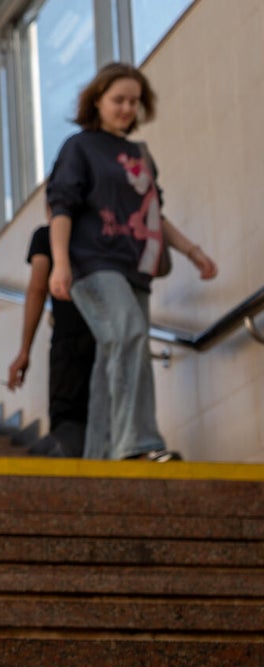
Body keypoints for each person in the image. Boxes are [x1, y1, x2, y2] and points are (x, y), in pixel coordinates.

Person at [46, 62, 217, 461]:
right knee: (129, 335)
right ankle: (139, 444)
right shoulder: (80, 147)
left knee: (118, 349)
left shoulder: (140, 154)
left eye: (134, 102)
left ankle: (101, 456)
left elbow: (155, 212)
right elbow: (61, 208)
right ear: (98, 101)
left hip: (135, 266)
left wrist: (193, 253)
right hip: (92, 264)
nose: (126, 108)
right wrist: (59, 263)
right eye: (118, 100)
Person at [7, 203, 95, 457]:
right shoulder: (99, 239)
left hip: (69, 342)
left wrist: (24, 350)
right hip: (106, 338)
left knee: (68, 421)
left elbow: (37, 288)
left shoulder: (45, 236)